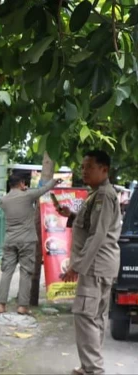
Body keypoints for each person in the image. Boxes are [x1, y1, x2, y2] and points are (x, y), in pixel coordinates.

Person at [59, 150, 121, 375]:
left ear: (104, 169)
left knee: (85, 315)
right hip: (100, 265)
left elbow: (98, 235)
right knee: (95, 316)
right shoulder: (97, 194)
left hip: (95, 266)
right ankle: (89, 366)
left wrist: (77, 266)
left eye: (89, 167)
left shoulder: (104, 195)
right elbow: (91, 225)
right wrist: (71, 215)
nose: (83, 171)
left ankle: (93, 369)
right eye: (83, 166)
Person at [0, 174, 62, 315]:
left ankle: (1, 305)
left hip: (10, 240)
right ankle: (22, 306)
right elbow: (43, 189)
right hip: (27, 240)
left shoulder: (4, 200)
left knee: (6, 271)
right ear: (21, 183)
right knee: (26, 272)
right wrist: (54, 181)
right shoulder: (27, 196)